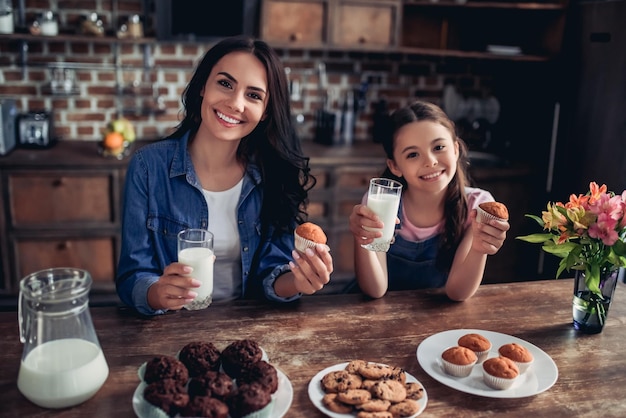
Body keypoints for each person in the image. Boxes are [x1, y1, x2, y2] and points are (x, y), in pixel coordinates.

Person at [116, 36, 333, 315]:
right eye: (225, 84)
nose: (235, 103)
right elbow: (132, 276)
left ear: (266, 112)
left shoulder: (273, 174)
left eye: (253, 95)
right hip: (169, 328)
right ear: (203, 86)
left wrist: (299, 281)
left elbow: (273, 274)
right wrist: (156, 293)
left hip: (247, 328)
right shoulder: (148, 167)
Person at [348, 100, 509, 300]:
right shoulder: (381, 202)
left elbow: (457, 293)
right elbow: (375, 289)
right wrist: (361, 238)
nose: (430, 161)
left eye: (439, 147)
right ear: (395, 166)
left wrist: (479, 248)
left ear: (456, 149)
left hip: (433, 314)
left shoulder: (477, 206)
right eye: (413, 154)